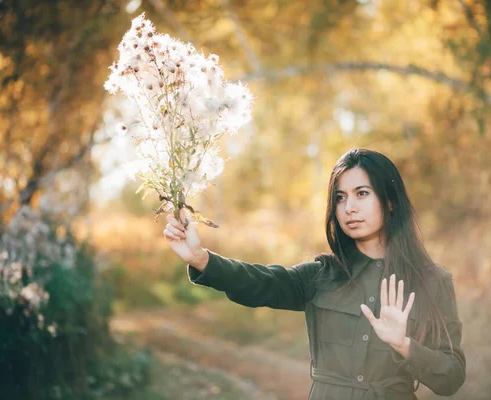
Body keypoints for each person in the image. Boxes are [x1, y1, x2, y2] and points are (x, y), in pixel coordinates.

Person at [163, 148, 466, 400]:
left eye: (362, 193)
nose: (349, 208)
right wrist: (202, 259)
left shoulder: (432, 282)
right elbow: (261, 282)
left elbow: (451, 377)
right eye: (340, 197)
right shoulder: (322, 275)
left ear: (389, 201)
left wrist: (404, 344)